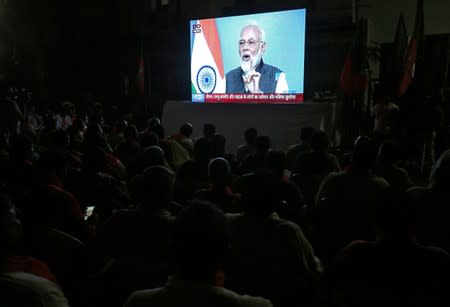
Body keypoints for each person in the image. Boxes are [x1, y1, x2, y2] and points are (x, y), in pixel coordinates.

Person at [226, 23, 288, 94]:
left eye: (251, 42)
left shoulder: (278, 76)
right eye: (241, 42)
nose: (245, 47)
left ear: (262, 47)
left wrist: (258, 93)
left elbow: (283, 105)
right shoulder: (227, 78)